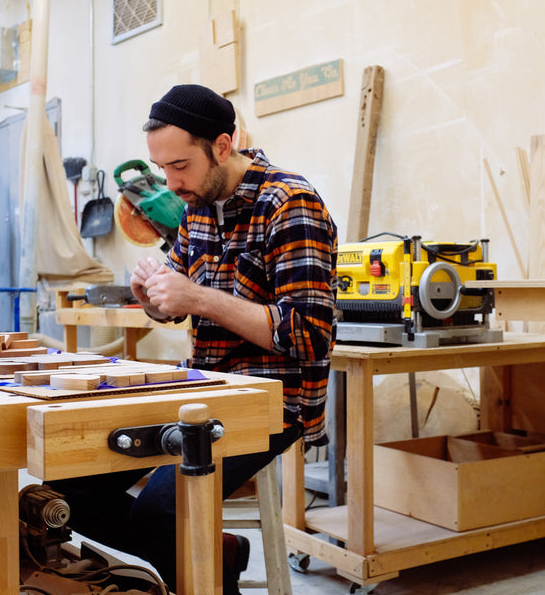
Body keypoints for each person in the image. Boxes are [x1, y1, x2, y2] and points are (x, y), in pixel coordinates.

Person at [49, 84, 337, 595]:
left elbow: (309, 336)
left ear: (222, 146)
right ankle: (211, 552)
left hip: (273, 402)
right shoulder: (197, 205)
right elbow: (174, 304)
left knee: (162, 512)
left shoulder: (290, 204)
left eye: (180, 165)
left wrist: (197, 298)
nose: (171, 181)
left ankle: (199, 561)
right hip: (204, 391)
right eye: (162, 168)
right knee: (67, 494)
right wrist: (153, 296)